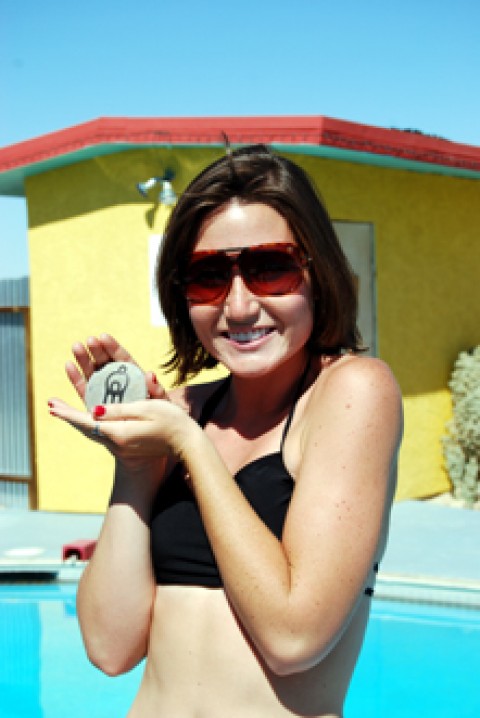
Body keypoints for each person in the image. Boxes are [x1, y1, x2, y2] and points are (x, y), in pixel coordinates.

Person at [49, 145, 403, 718]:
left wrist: (189, 445)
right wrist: (137, 466)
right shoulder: (185, 406)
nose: (239, 306)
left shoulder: (353, 392)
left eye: (269, 268)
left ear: (318, 271)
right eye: (209, 277)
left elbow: (294, 638)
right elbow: (110, 650)